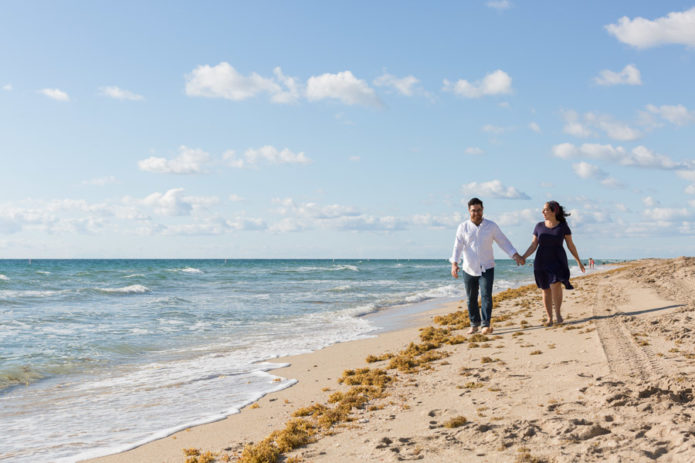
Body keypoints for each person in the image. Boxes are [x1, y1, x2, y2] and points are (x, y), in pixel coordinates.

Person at [450, 197, 524, 335]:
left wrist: (515, 255)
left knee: (486, 296)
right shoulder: (463, 227)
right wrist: (454, 264)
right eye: (473, 211)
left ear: (483, 210)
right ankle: (474, 324)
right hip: (469, 268)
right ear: (468, 211)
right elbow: (457, 246)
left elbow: (503, 242)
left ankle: (485, 324)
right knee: (471, 298)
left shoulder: (491, 226)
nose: (476, 213)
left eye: (479, 210)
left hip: (487, 267)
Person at [520, 201, 585, 326]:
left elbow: (570, 245)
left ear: (553, 211)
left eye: (545, 210)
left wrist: (578, 261)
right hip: (541, 261)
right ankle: (549, 318)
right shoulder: (538, 226)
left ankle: (558, 314)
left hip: (558, 260)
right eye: (543, 210)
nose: (543, 212)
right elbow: (534, 245)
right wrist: (523, 257)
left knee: (555, 285)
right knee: (545, 289)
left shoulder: (563, 226)